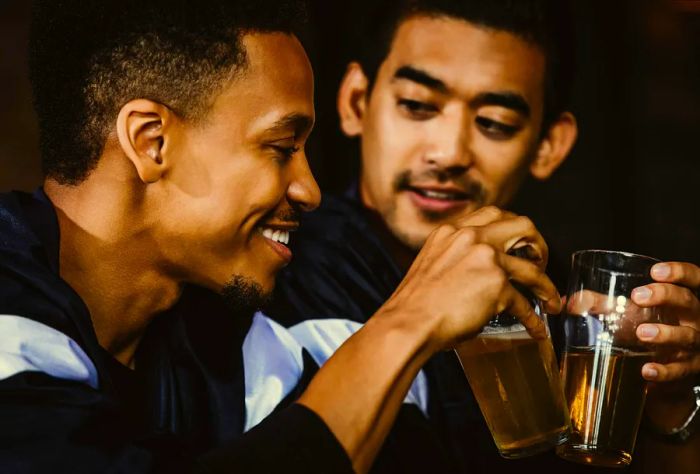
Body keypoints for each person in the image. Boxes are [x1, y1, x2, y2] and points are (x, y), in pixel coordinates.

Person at [0, 1, 564, 473]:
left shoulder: (229, 335)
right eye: (282, 147)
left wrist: (637, 422)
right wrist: (412, 320)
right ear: (152, 142)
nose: (311, 190)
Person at [268, 0, 700, 472]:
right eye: (416, 106)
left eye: (494, 123)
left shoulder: (563, 307)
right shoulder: (277, 271)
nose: (450, 152)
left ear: (549, 146)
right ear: (355, 102)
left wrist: (668, 401)